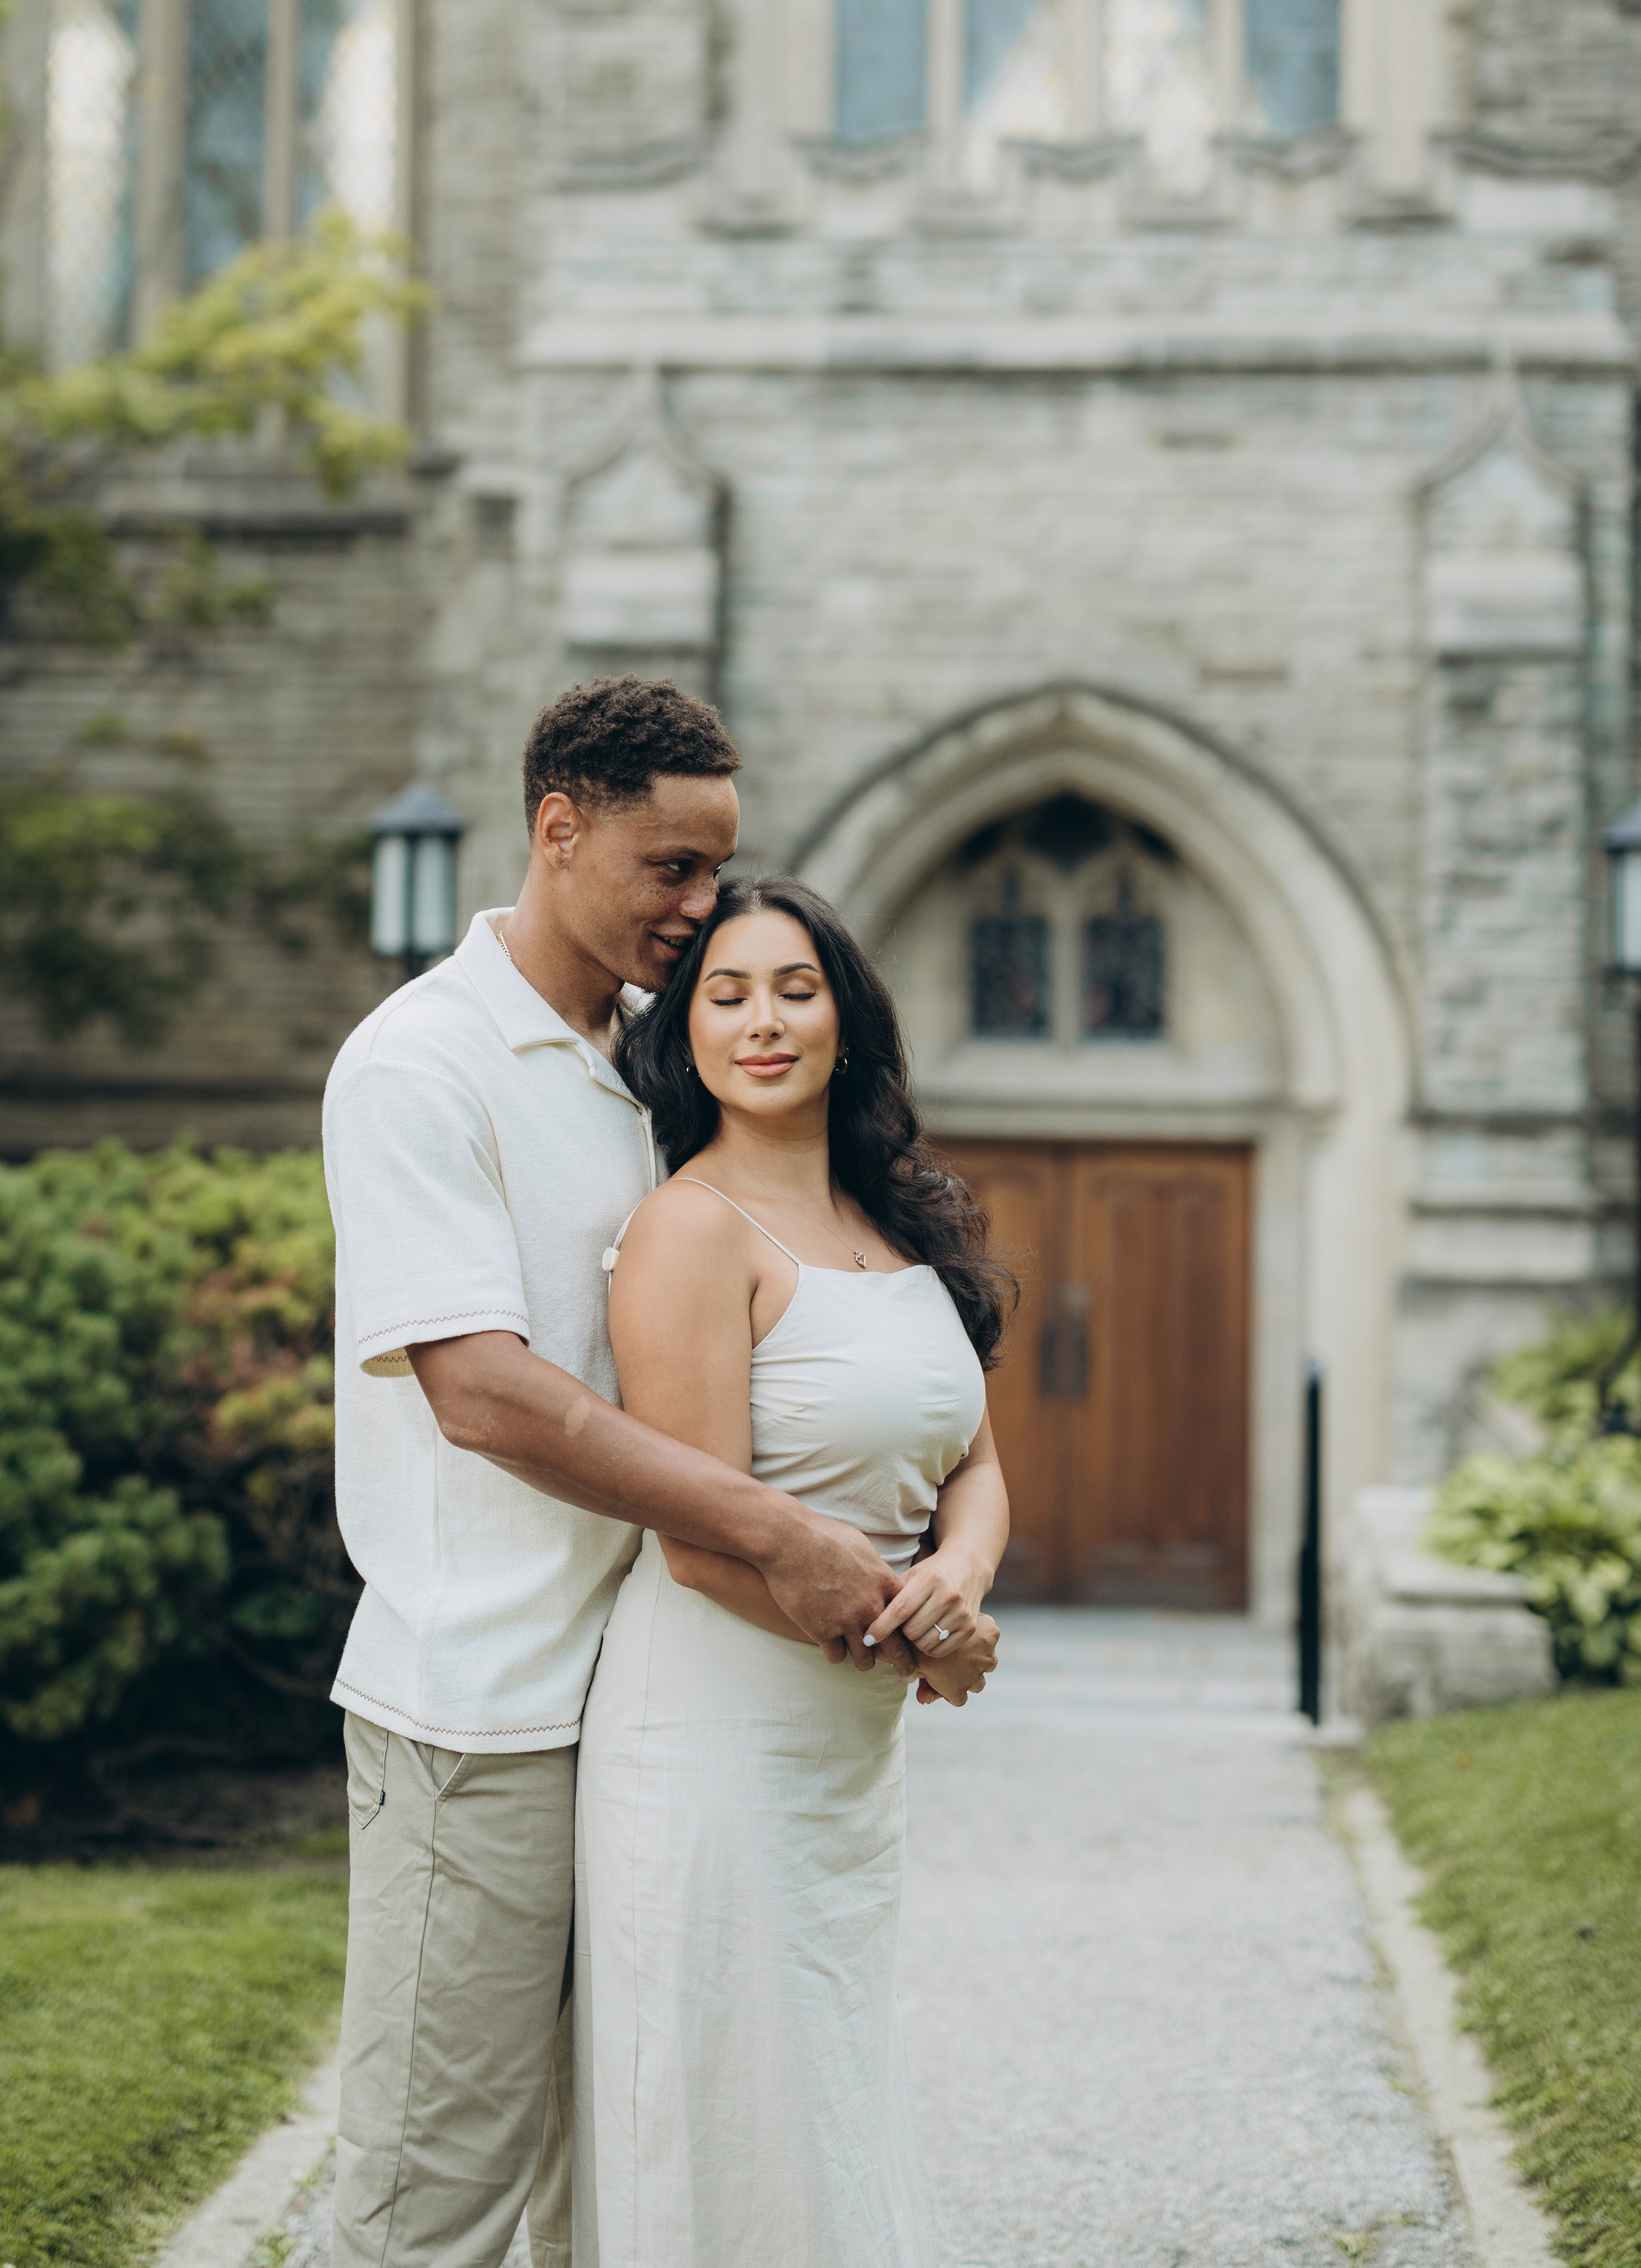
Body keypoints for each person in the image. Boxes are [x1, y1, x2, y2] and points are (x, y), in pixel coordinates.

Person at [323, 679, 966, 2268]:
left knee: (608, 2187)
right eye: (670, 868)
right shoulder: (420, 1065)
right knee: (430, 2204)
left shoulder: (654, 1058)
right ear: (560, 830)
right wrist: (775, 1531)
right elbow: (479, 1393)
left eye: (717, 867)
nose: (700, 907)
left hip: (644, 1709)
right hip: (475, 1710)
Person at [573, 874, 1015, 2268]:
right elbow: (699, 1539)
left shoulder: (900, 1228)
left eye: (794, 988)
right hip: (716, 1731)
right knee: (726, 2109)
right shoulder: (690, 1231)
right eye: (726, 992)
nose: (763, 1020)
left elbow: (978, 1465)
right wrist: (919, 1641)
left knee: (823, 2086)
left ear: (845, 1018)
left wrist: (965, 1580)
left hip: (845, 1749)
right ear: (685, 1035)